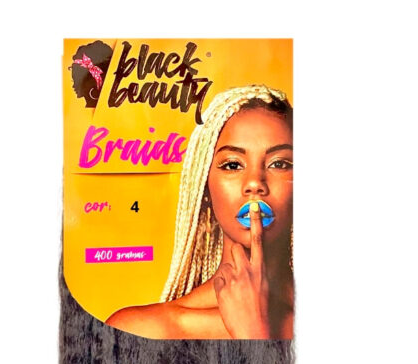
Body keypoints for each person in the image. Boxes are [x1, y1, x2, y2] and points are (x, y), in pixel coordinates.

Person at [107, 85, 293, 341]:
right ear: (205, 187)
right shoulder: (144, 330)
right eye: (232, 165)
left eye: (280, 164)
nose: (254, 183)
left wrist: (254, 332)